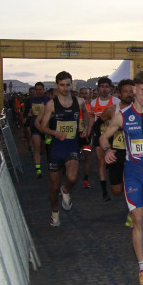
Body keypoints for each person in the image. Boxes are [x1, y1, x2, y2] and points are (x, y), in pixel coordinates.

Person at [100, 71, 143, 285]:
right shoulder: (123, 115)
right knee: (137, 220)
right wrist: (107, 149)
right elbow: (103, 136)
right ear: (135, 90)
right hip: (133, 173)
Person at [36, 71, 91, 227]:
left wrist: (86, 127)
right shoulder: (51, 104)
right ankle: (54, 212)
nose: (65, 88)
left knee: (73, 178)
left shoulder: (79, 101)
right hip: (56, 147)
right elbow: (42, 127)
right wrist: (55, 132)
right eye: (62, 85)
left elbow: (86, 112)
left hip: (72, 145)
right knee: (53, 187)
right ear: (56, 85)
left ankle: (65, 190)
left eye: (68, 85)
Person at [100, 79, 134, 199]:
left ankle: (133, 211)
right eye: (126, 91)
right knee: (116, 190)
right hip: (117, 151)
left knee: (134, 187)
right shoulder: (112, 110)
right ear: (119, 94)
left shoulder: (141, 109)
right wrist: (106, 147)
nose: (129, 94)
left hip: (135, 153)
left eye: (132, 91)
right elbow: (96, 126)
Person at [91, 77, 121, 201]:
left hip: (115, 137)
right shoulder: (93, 103)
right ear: (98, 89)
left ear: (111, 88)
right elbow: (93, 122)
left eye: (106, 87)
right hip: (99, 135)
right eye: (102, 87)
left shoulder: (117, 102)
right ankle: (104, 191)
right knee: (101, 162)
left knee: (114, 162)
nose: (104, 89)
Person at [23, 82, 50, 178]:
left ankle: (52, 166)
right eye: (37, 89)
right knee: (36, 148)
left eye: (40, 89)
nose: (38, 91)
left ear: (44, 90)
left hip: (46, 127)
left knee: (44, 148)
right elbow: (25, 112)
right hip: (34, 126)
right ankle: (38, 169)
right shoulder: (30, 100)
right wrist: (25, 119)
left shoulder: (48, 100)